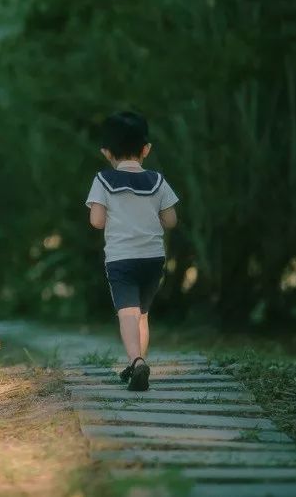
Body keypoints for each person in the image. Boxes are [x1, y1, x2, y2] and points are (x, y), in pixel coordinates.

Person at [85, 111, 179, 392]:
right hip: (153, 258)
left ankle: (136, 361)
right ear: (146, 149)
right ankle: (139, 362)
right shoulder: (158, 180)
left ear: (106, 152)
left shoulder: (103, 180)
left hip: (121, 259)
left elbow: (97, 221)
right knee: (142, 314)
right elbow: (171, 220)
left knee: (127, 312)